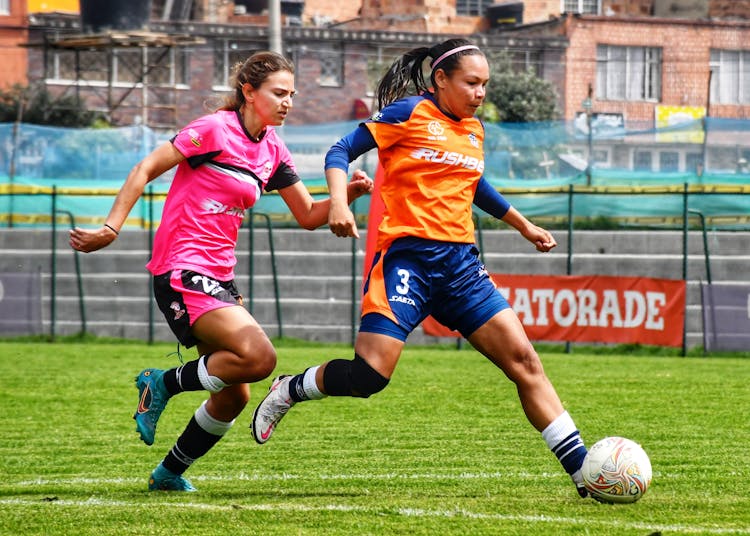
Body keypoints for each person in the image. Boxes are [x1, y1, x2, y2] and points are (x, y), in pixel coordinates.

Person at [251, 38, 591, 498]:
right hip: (406, 262)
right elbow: (338, 151)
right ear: (441, 80)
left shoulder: (474, 130)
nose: (480, 93)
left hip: (461, 267)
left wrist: (524, 225)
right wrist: (338, 204)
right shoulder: (406, 114)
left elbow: (474, 185)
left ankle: (585, 473)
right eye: (471, 83)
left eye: (485, 85)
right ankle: (291, 388)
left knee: (526, 362)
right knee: (369, 377)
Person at [69, 51, 373, 492]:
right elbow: (145, 169)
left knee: (234, 393)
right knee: (260, 358)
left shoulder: (272, 148)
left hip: (220, 277)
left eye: (292, 94)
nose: (288, 102)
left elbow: (308, 214)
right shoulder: (213, 129)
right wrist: (111, 226)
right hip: (181, 267)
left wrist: (350, 194)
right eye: (279, 93)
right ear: (249, 92)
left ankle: (168, 474)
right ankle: (161, 383)